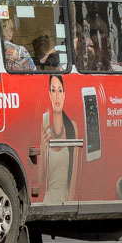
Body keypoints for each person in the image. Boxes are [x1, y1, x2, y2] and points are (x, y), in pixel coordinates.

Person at [40, 74, 78, 203]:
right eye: (53, 90)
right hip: (49, 200)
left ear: (64, 95)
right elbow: (41, 179)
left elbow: (74, 175)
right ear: (49, 95)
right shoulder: (45, 126)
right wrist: (42, 148)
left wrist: (69, 202)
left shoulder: (72, 127)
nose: (57, 95)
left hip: (66, 199)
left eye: (60, 90)